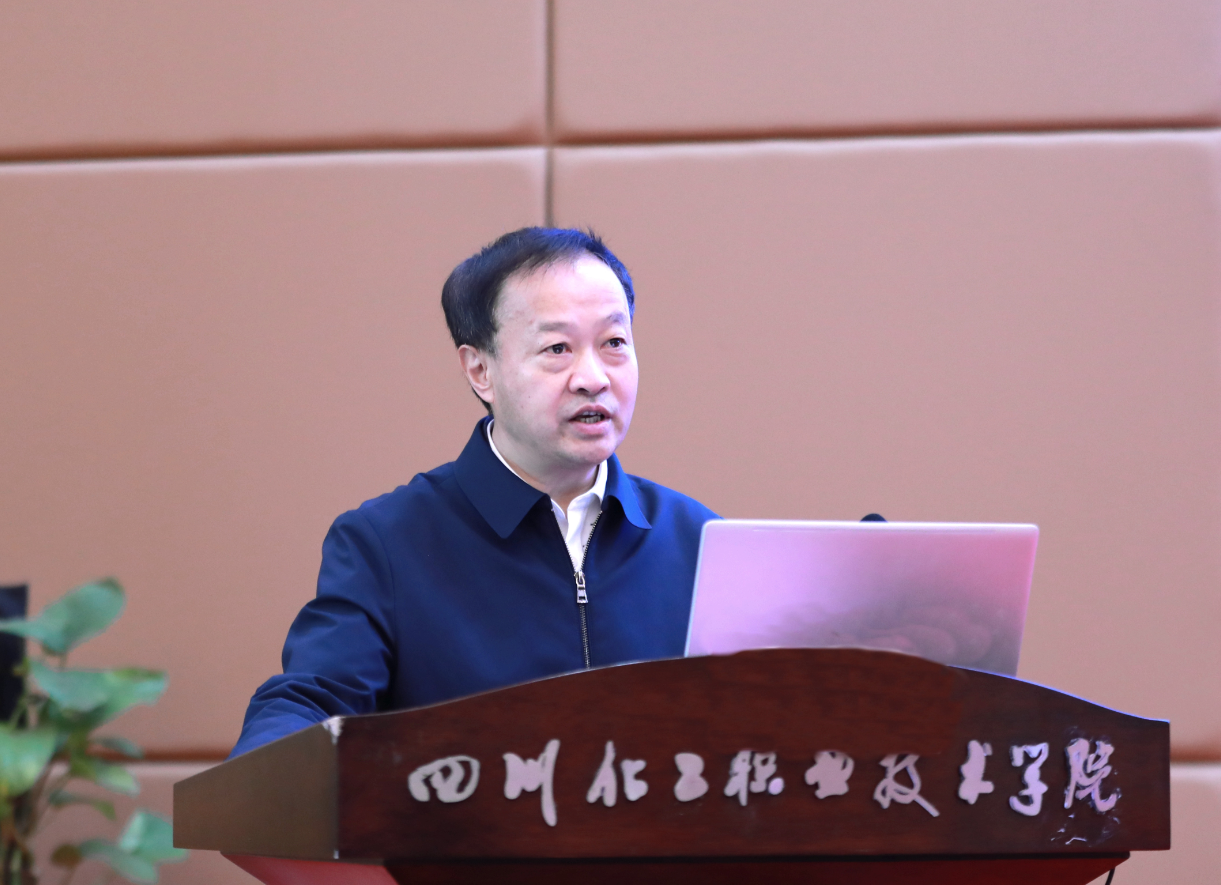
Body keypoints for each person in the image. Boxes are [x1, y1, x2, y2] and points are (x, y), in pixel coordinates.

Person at [230, 227, 718, 757]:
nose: (593, 378)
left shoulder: (699, 541)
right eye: (557, 348)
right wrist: (261, 773)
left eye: (614, 343)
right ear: (480, 370)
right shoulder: (387, 544)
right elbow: (313, 701)